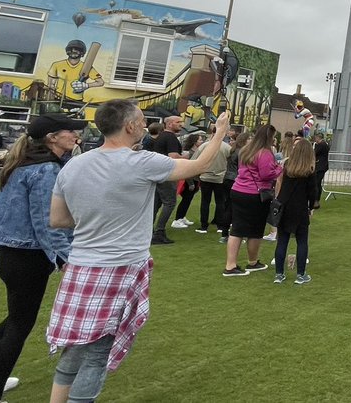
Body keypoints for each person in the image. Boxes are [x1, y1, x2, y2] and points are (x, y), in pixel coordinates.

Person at [46, 101, 229, 402]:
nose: (145, 126)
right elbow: (199, 166)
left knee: (75, 347)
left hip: (80, 265)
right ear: (129, 126)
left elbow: (58, 219)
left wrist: (96, 216)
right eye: (142, 121)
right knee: (97, 352)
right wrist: (220, 132)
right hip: (117, 267)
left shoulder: (74, 165)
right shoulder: (140, 162)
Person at [0, 113, 85, 403]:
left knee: (15, 320)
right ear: (52, 138)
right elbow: (47, 222)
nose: (75, 135)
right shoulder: (45, 169)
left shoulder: (27, 163)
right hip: (27, 258)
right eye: (70, 131)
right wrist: (67, 259)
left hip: (11, 255)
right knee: (19, 327)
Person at [223, 124, 282, 276]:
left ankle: (231, 264)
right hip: (255, 194)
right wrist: (280, 168)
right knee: (255, 230)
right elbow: (266, 174)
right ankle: (252, 261)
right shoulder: (265, 153)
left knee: (236, 228)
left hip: (238, 190)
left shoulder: (246, 150)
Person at [273, 138, 319, 284]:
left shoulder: (287, 166)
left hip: (285, 206)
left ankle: (279, 274)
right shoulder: (309, 171)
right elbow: (313, 192)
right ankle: (300, 274)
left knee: (282, 241)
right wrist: (312, 207)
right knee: (302, 241)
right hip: (299, 208)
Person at [150, 116, 183, 245]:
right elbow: (173, 156)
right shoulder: (170, 137)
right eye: (178, 122)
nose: (181, 124)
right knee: (169, 202)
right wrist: (186, 156)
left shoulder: (161, 136)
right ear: (169, 124)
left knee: (156, 203)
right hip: (167, 174)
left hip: (157, 173)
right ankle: (159, 232)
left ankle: (149, 230)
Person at [194, 133, 231, 235]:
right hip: (220, 178)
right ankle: (220, 225)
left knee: (205, 202)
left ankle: (203, 226)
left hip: (206, 177)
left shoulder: (205, 146)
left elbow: (195, 160)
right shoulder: (227, 147)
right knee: (220, 202)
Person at [171, 133, 204, 229]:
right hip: (190, 179)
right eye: (200, 140)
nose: (201, 142)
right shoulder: (189, 153)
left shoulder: (196, 152)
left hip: (195, 179)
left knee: (188, 200)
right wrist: (190, 183)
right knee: (186, 200)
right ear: (195, 142)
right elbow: (187, 168)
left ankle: (182, 216)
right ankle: (177, 219)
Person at [311, 132, 330, 211]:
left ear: (318, 137)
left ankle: (316, 200)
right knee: (318, 183)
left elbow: (314, 153)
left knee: (316, 183)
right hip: (322, 166)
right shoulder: (325, 144)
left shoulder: (321, 145)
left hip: (319, 166)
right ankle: (316, 200)